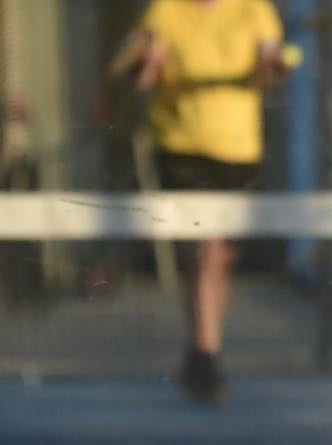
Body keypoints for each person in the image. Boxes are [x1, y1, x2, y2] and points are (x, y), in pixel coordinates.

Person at [109, 0, 291, 405]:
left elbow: (273, 70)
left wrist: (271, 66)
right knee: (205, 249)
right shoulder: (165, 10)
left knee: (219, 255)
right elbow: (128, 68)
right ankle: (207, 355)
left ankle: (201, 349)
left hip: (237, 147)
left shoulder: (254, 10)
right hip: (181, 145)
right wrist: (146, 61)